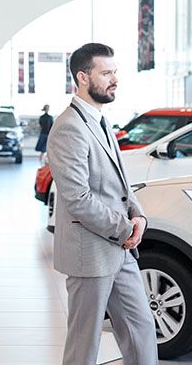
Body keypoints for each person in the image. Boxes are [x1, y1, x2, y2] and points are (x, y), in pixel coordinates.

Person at [47, 43, 157, 365]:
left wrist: (139, 215)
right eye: (106, 72)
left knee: (141, 330)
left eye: (115, 72)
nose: (114, 79)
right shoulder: (68, 127)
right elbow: (78, 198)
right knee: (84, 343)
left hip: (119, 249)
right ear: (82, 77)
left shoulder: (101, 120)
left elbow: (120, 182)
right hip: (89, 253)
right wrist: (125, 228)